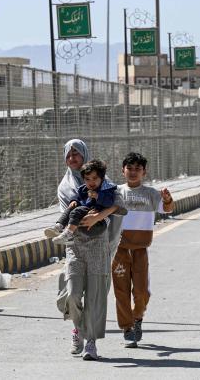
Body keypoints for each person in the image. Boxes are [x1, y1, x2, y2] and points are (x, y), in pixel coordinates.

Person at [54, 139, 126, 361]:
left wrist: (101, 217)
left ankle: (91, 343)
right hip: (75, 244)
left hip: (100, 244)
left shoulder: (105, 183)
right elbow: (72, 213)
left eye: (76, 153)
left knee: (95, 295)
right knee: (73, 292)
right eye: (69, 154)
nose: (72, 158)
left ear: (85, 156)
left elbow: (119, 206)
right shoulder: (65, 187)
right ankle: (78, 329)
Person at [113, 153, 174, 348]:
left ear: (144, 172)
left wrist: (167, 198)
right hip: (119, 250)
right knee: (121, 291)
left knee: (141, 292)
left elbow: (168, 209)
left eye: (137, 169)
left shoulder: (151, 194)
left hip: (140, 251)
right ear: (122, 171)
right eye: (129, 169)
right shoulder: (115, 193)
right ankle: (127, 328)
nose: (133, 172)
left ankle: (137, 317)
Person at [46, 159, 117, 245]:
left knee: (77, 211)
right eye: (87, 179)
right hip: (85, 215)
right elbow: (79, 198)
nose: (91, 182)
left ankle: (68, 235)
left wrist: (98, 196)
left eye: (94, 178)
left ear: (101, 179)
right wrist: (74, 201)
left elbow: (110, 203)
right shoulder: (84, 189)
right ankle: (58, 227)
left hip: (98, 223)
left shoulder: (106, 189)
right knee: (72, 208)